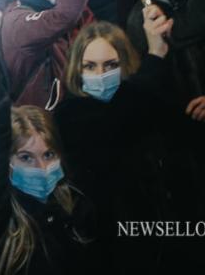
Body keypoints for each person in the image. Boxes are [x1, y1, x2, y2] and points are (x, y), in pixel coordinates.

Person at [0, 4, 96, 275]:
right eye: (26, 157)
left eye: (48, 155)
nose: (42, 169)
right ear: (6, 162)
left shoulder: (75, 206)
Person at [54, 15, 173, 271]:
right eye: (90, 66)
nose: (101, 74)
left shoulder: (142, 101)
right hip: (101, 236)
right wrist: (155, 55)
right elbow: (112, 125)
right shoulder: (69, 114)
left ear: (125, 64)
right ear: (77, 69)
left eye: (110, 65)